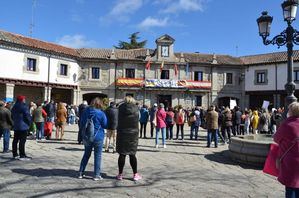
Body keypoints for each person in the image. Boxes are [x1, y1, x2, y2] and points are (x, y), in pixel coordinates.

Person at [274, 102, 299, 198]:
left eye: (289, 110)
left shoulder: (287, 124)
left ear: (292, 112)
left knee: (291, 188)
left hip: (290, 162)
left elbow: (276, 138)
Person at [78, 97, 107, 181]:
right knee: (97, 156)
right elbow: (105, 124)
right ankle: (96, 175)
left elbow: (82, 123)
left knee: (86, 154)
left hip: (87, 136)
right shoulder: (101, 113)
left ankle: (81, 172)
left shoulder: (85, 111)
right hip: (98, 136)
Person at [116, 96, 141, 181]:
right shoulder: (137, 108)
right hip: (133, 134)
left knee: (122, 154)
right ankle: (135, 174)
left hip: (122, 133)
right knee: (132, 154)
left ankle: (120, 174)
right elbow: (139, 119)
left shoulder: (120, 108)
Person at [11, 95, 31, 160]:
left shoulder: (14, 106)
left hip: (16, 125)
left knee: (15, 140)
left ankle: (15, 154)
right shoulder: (24, 106)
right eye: (24, 99)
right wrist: (29, 123)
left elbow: (12, 116)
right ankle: (22, 155)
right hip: (23, 126)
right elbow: (27, 116)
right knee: (22, 141)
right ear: (22, 100)